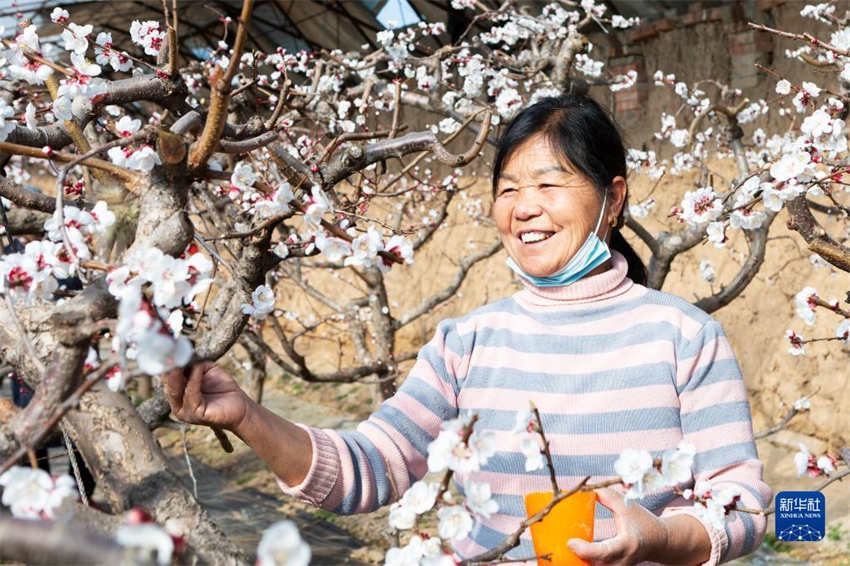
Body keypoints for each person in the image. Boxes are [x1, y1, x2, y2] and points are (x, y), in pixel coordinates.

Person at [164, 94, 771, 565]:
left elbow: (742, 507)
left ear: (612, 200)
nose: (523, 207)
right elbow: (369, 468)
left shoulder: (682, 336)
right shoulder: (468, 342)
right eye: (508, 188)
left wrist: (659, 538)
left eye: (548, 185)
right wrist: (247, 416)